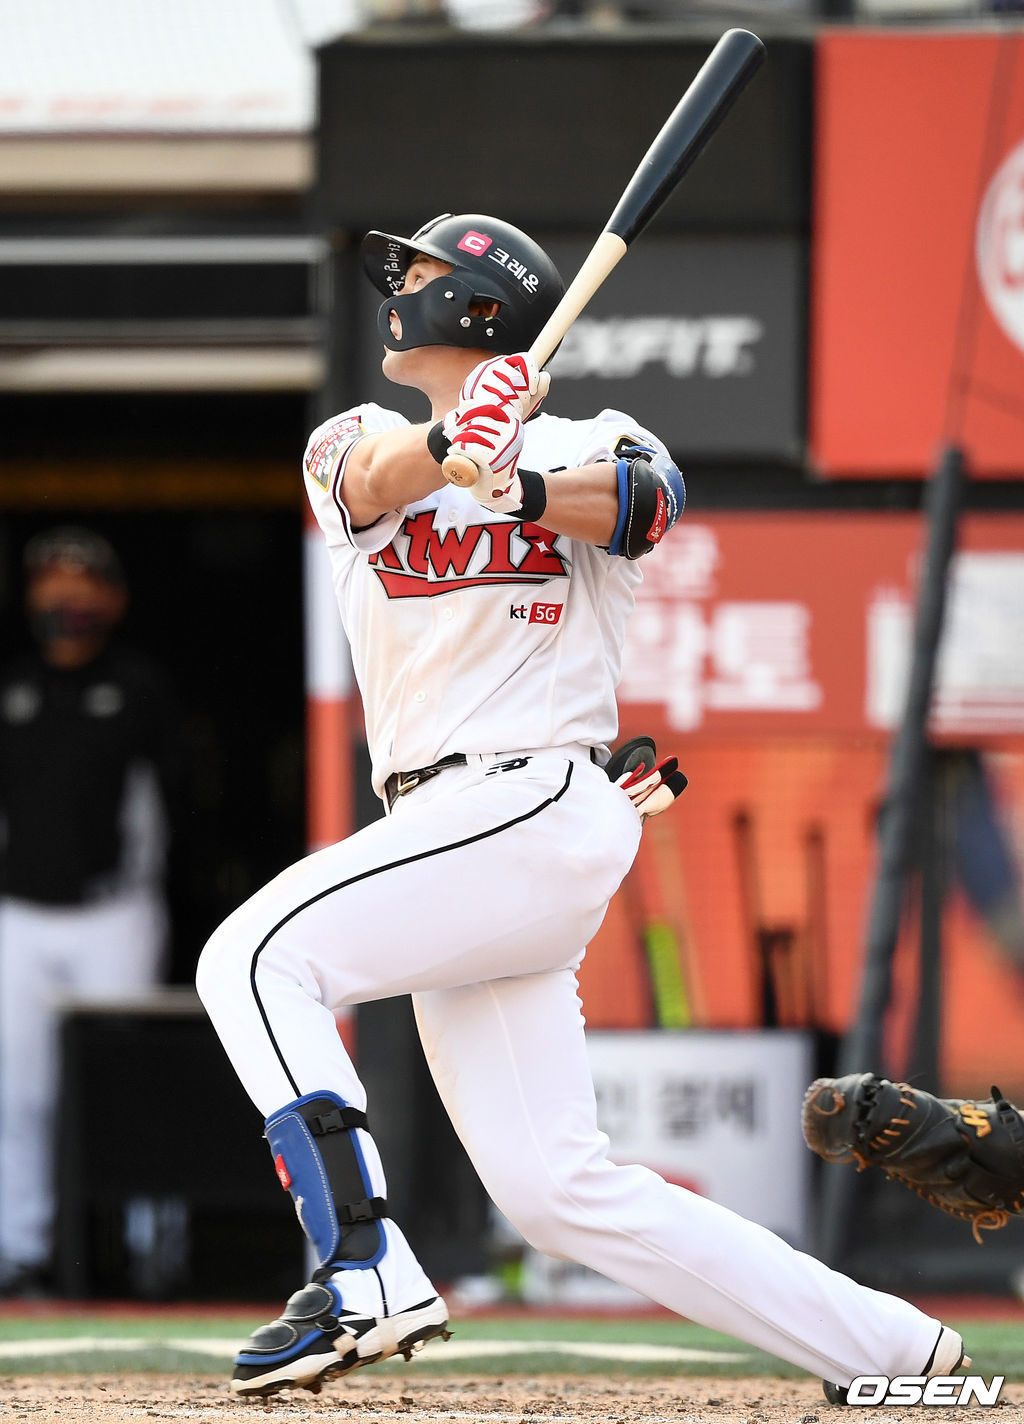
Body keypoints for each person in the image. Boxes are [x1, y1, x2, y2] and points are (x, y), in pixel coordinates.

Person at [196, 213, 967, 1401]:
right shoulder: (358, 435)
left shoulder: (596, 434)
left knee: (249, 956)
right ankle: (894, 1349)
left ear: (482, 303)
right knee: (559, 1190)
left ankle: (361, 1265)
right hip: (445, 833)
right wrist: (459, 437)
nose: (396, 288)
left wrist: (522, 476)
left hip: (533, 795)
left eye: (421, 274)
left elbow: (647, 504)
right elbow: (365, 483)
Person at [0, 527, 182, 1296]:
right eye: (50, 582)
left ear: (112, 597)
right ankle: (22, 1250)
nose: (63, 600)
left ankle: (151, 1251)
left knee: (129, 1079)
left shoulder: (140, 688)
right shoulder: (10, 686)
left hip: (117, 912)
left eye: (80, 584)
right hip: (18, 915)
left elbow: (178, 810)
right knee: (19, 1090)